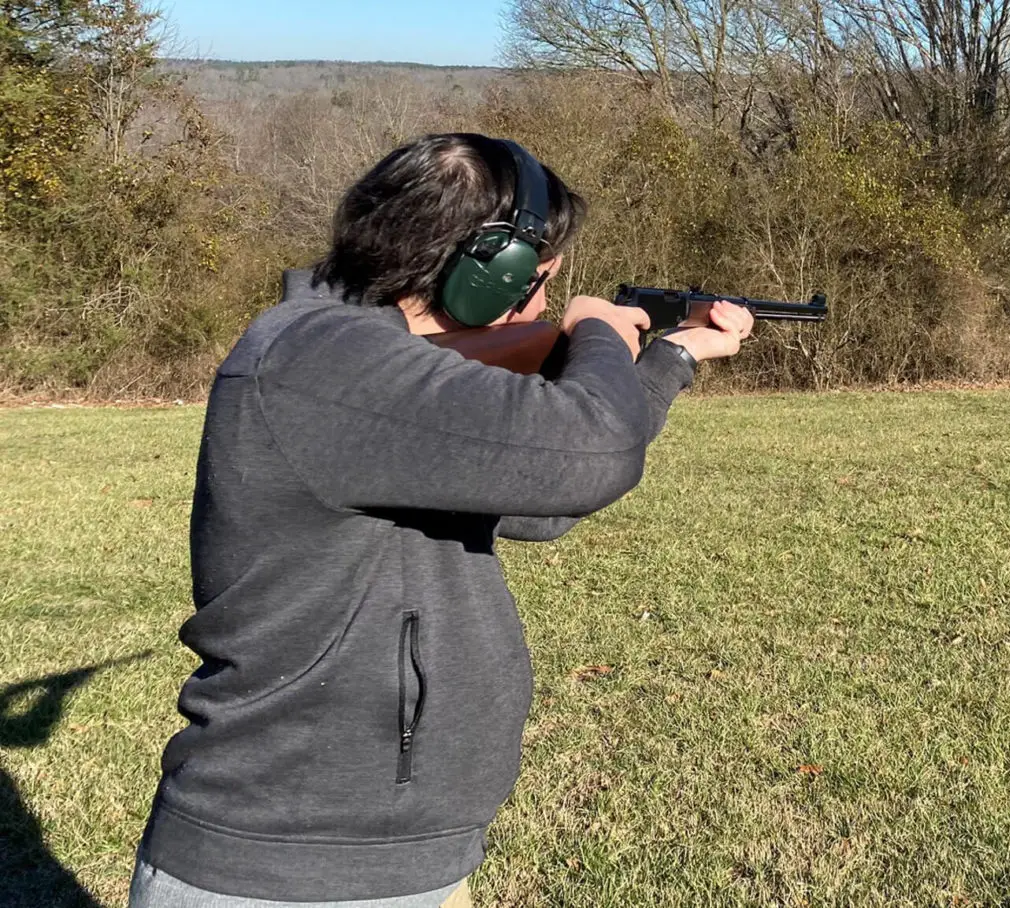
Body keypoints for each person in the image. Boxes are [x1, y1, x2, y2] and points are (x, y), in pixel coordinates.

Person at [129, 133, 753, 908]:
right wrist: (597, 330)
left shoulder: (358, 359)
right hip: (299, 867)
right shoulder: (328, 364)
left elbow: (542, 500)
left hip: (378, 856)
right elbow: (589, 453)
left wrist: (669, 360)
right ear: (494, 270)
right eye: (542, 278)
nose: (545, 303)